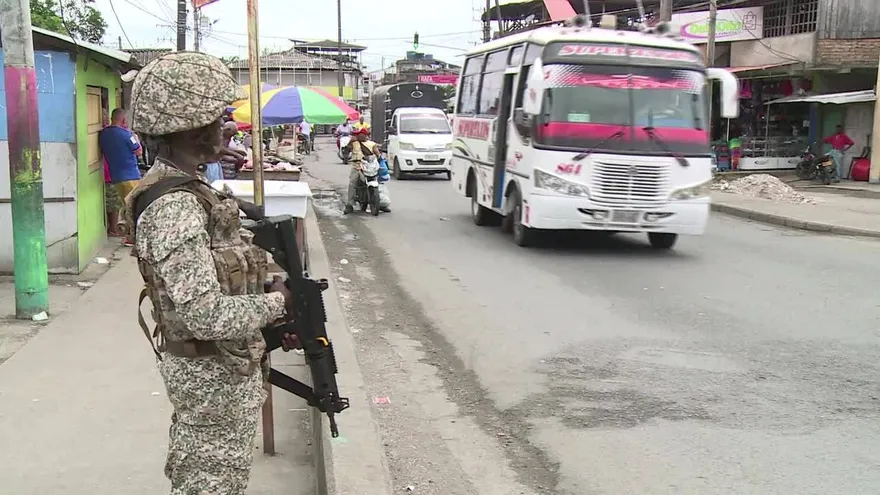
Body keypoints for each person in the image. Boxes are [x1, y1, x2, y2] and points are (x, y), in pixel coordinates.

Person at [123, 51, 302, 495]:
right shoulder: (174, 205)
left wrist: (271, 312)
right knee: (211, 483)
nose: (227, 126)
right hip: (211, 379)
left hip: (220, 370)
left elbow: (227, 267)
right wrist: (280, 301)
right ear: (193, 127)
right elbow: (205, 315)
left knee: (206, 475)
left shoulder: (193, 190)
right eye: (218, 117)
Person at [100, 108, 142, 246]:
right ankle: (131, 237)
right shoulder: (126, 134)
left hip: (116, 176)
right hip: (131, 175)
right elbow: (138, 151)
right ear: (124, 120)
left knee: (126, 206)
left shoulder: (104, 133)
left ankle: (128, 234)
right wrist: (136, 138)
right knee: (134, 207)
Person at [342, 127, 382, 214]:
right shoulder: (354, 143)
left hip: (369, 166)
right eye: (358, 135)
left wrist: (379, 157)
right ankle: (350, 205)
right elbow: (346, 152)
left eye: (361, 135)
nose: (359, 136)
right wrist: (350, 142)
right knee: (352, 182)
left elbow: (377, 154)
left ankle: (381, 202)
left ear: (365, 135)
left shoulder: (372, 144)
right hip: (357, 166)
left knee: (381, 181)